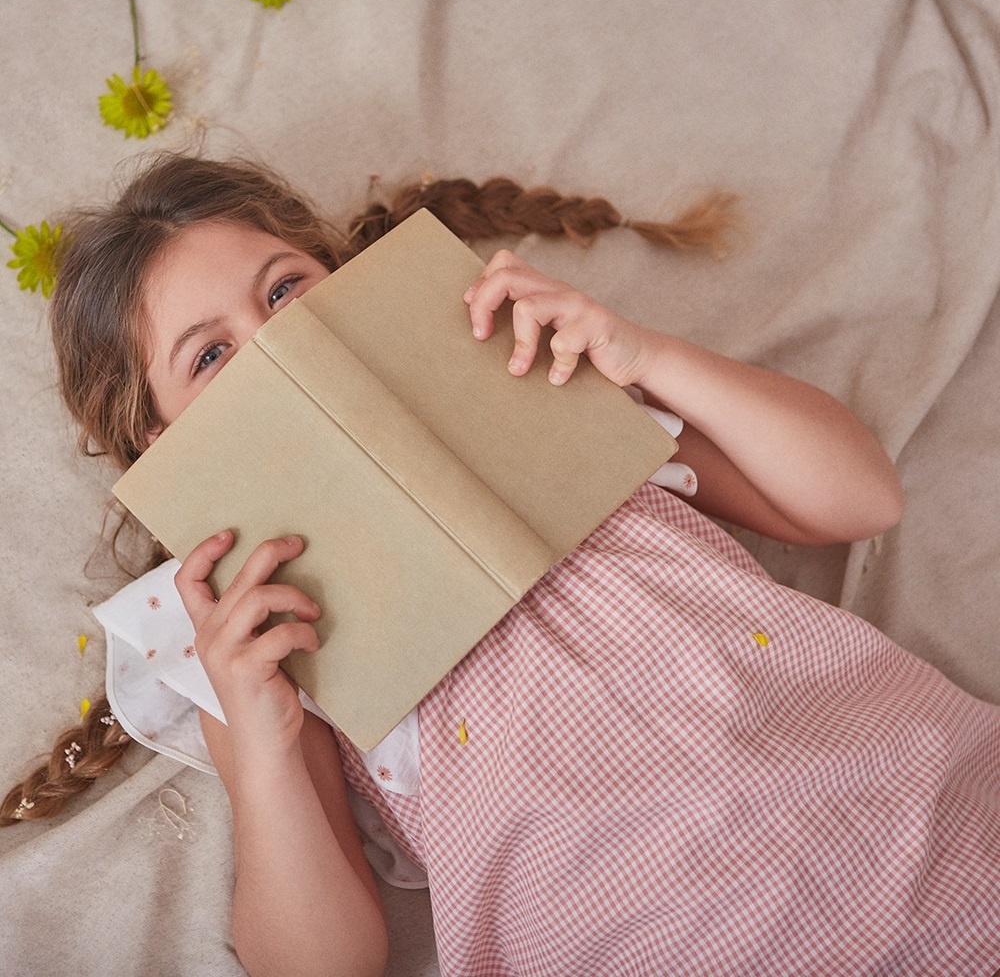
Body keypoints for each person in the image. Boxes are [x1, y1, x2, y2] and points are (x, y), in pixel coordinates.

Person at [4, 153, 999, 977]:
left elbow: (858, 497)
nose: (276, 347)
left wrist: (642, 354)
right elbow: (323, 963)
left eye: (285, 289)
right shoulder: (234, 620)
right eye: (210, 357)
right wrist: (261, 743)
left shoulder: (525, 374)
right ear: (157, 442)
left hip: (920, 817)